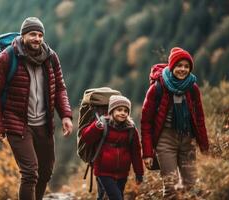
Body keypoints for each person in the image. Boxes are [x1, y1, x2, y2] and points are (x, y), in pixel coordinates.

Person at [0, 17, 73, 200]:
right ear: (23, 35)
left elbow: (60, 88)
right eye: (33, 34)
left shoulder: (50, 57)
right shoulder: (7, 57)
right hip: (17, 123)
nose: (37, 38)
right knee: (30, 173)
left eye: (40, 35)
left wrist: (65, 115)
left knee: (45, 172)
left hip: (44, 124)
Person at [141, 47, 209, 199]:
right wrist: (147, 153)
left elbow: (199, 119)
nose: (183, 69)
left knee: (190, 185)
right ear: (172, 67)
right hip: (165, 141)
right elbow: (146, 122)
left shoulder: (192, 88)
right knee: (171, 187)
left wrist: (204, 146)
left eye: (186, 66)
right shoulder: (157, 88)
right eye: (179, 66)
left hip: (187, 139)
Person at [81, 95, 144, 200]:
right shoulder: (102, 124)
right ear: (111, 111)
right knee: (117, 197)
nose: (123, 113)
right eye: (119, 110)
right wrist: (96, 127)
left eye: (126, 111)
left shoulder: (131, 129)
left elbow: (136, 152)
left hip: (122, 173)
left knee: (103, 197)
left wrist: (139, 173)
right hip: (103, 171)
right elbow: (86, 137)